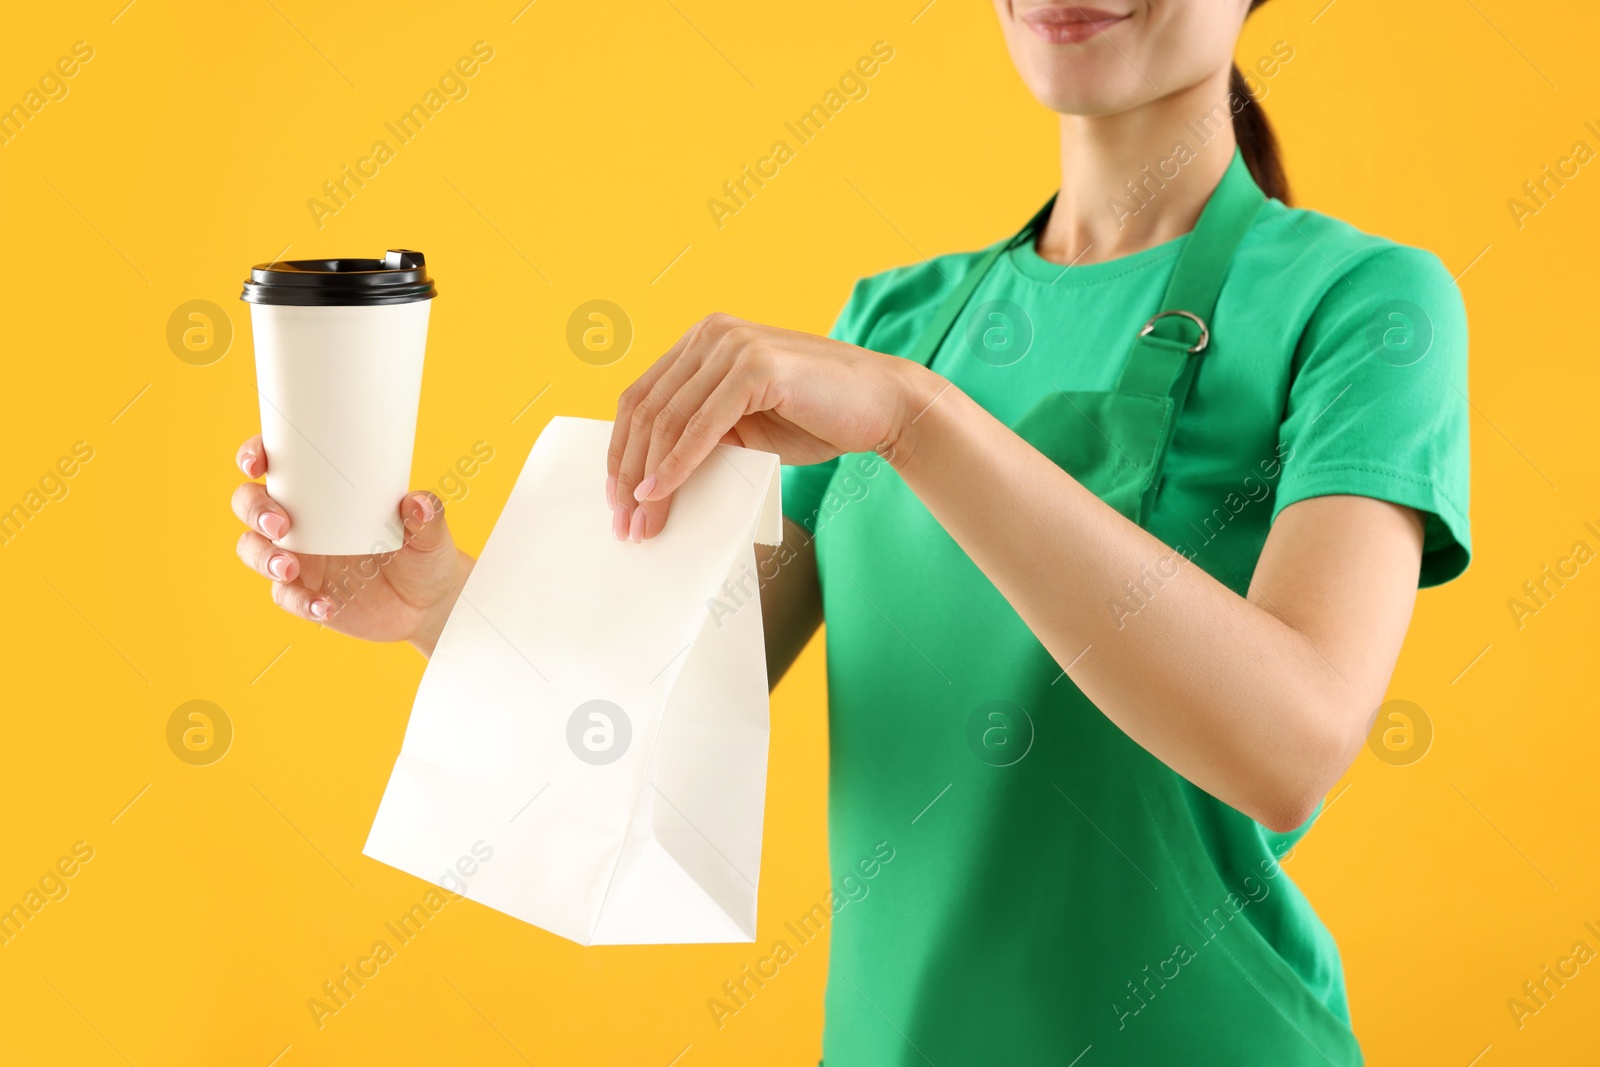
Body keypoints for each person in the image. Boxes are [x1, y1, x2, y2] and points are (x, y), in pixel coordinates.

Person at [231, 1, 1469, 1062]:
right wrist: (440, 602)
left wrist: (917, 420)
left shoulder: (1362, 302)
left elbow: (1292, 739)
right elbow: (673, 698)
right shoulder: (903, 317)